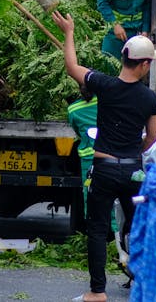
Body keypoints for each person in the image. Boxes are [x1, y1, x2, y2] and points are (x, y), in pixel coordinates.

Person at [52, 11, 156, 302]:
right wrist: (134, 152)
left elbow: (71, 66)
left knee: (98, 230)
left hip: (103, 168)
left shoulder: (104, 84)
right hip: (134, 171)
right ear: (144, 64)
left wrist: (69, 32)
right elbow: (152, 138)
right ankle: (144, 286)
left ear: (123, 59)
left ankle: (97, 292)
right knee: (138, 228)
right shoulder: (149, 98)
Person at [66, 89, 97, 218]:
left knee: (90, 198)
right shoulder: (109, 103)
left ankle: (93, 226)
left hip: (88, 160)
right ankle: (113, 229)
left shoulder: (73, 109)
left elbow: (78, 132)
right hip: (110, 157)